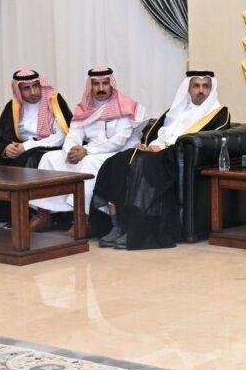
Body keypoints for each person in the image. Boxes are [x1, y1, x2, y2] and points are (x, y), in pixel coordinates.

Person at [92, 70, 229, 250]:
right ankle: (117, 226)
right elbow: (156, 134)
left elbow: (210, 141)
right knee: (116, 162)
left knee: (143, 164)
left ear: (211, 89)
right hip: (155, 151)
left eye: (205, 86)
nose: (201, 91)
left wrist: (164, 148)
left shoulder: (218, 113)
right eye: (196, 86)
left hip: (176, 157)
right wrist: (146, 145)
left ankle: (135, 230)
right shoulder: (176, 109)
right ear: (188, 88)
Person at [29, 67, 143, 233]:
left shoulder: (125, 106)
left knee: (88, 162)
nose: (101, 88)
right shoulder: (84, 108)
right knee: (49, 158)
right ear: (90, 86)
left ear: (111, 84)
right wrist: (71, 150)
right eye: (96, 84)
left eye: (105, 83)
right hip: (91, 151)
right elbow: (74, 133)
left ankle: (83, 219)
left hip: (118, 153)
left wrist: (86, 151)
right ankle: (44, 215)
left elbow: (119, 141)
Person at [0, 70, 71, 168]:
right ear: (18, 90)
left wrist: (27, 146)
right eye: (26, 88)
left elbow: (62, 135)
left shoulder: (54, 102)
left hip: (48, 148)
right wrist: (7, 148)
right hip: (20, 149)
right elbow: (1, 137)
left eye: (35, 86)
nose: (32, 92)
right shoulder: (13, 106)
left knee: (30, 159)